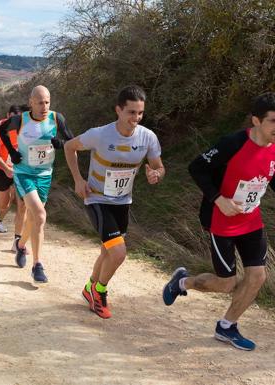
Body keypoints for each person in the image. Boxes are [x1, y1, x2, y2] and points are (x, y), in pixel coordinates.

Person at [162, 92, 275, 351]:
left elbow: (269, 177)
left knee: (257, 276)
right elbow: (197, 167)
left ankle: (227, 327)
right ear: (256, 121)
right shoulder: (232, 143)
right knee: (227, 283)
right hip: (222, 220)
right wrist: (218, 198)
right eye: (273, 121)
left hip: (251, 219)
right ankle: (182, 282)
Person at [64, 85, 164, 318]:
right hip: (97, 198)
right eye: (131, 113)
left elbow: (159, 166)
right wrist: (78, 180)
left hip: (123, 201)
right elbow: (70, 147)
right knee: (118, 253)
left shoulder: (147, 137)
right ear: (118, 110)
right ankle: (100, 291)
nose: (136, 119)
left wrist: (156, 174)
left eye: (140, 113)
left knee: (107, 252)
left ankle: (89, 288)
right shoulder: (99, 134)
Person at [0, 86, 72, 283]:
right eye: (40, 102)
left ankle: (21, 245)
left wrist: (61, 144)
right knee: (40, 215)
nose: (44, 106)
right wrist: (12, 153)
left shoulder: (57, 119)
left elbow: (72, 141)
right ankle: (37, 265)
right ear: (31, 102)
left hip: (45, 175)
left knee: (34, 218)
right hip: (24, 173)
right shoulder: (20, 119)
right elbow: (1, 130)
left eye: (47, 102)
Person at [0, 105, 27, 243]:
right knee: (4, 204)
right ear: (7, 115)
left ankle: (17, 242)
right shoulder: (0, 127)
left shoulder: (28, 129)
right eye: (12, 118)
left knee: (22, 204)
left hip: (19, 169)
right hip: (0, 168)